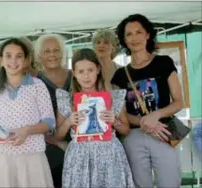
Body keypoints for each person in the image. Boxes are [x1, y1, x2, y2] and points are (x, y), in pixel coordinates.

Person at [112, 13, 184, 187]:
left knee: (170, 182)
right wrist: (146, 122)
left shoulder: (164, 63)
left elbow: (179, 102)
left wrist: (156, 116)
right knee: (139, 184)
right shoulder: (120, 75)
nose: (134, 38)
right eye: (129, 34)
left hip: (164, 131)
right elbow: (121, 114)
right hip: (134, 136)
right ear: (124, 39)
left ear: (147, 34)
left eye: (139, 32)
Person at [55, 48, 134, 188]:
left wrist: (115, 122)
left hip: (109, 156)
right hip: (79, 158)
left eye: (90, 70)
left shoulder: (113, 97)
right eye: (81, 71)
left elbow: (126, 130)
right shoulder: (66, 99)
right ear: (74, 73)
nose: (86, 76)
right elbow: (58, 136)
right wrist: (69, 122)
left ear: (98, 69)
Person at [0, 38, 55, 187]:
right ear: (1, 60)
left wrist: (27, 131)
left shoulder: (37, 85)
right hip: (4, 158)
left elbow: (49, 122)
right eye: (8, 55)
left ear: (25, 60)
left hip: (32, 156)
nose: (13, 60)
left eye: (19, 56)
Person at [34, 34, 72, 187]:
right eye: (47, 51)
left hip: (80, 138)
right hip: (49, 143)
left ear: (63, 53)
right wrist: (58, 142)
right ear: (39, 55)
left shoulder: (75, 75)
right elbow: (32, 120)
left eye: (56, 50)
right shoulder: (34, 83)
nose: (52, 55)